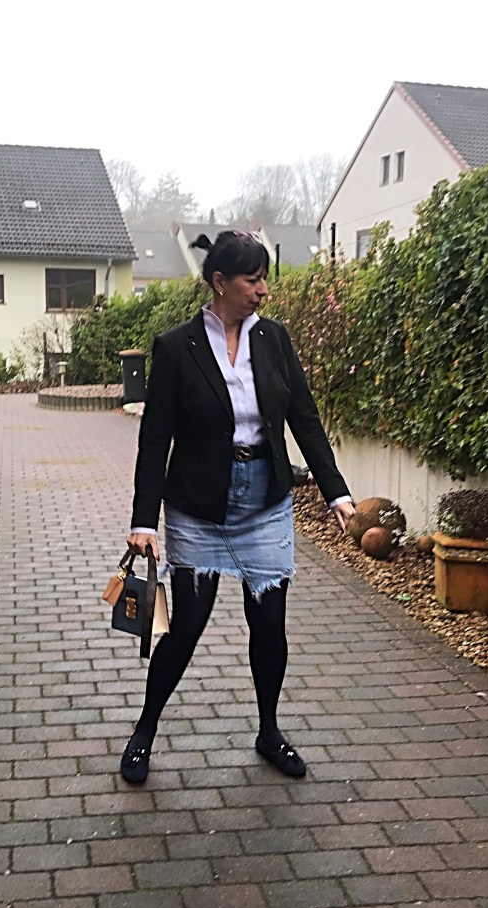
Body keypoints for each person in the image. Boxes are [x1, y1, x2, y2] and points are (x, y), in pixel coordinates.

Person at [121, 230, 355, 784]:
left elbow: (304, 416)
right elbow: (155, 439)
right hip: (198, 506)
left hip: (265, 500)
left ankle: (269, 731)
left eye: (264, 279)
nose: (263, 291)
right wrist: (143, 521)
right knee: (187, 627)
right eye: (253, 280)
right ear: (220, 282)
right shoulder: (177, 347)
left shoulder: (274, 339)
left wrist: (336, 490)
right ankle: (144, 731)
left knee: (269, 625)